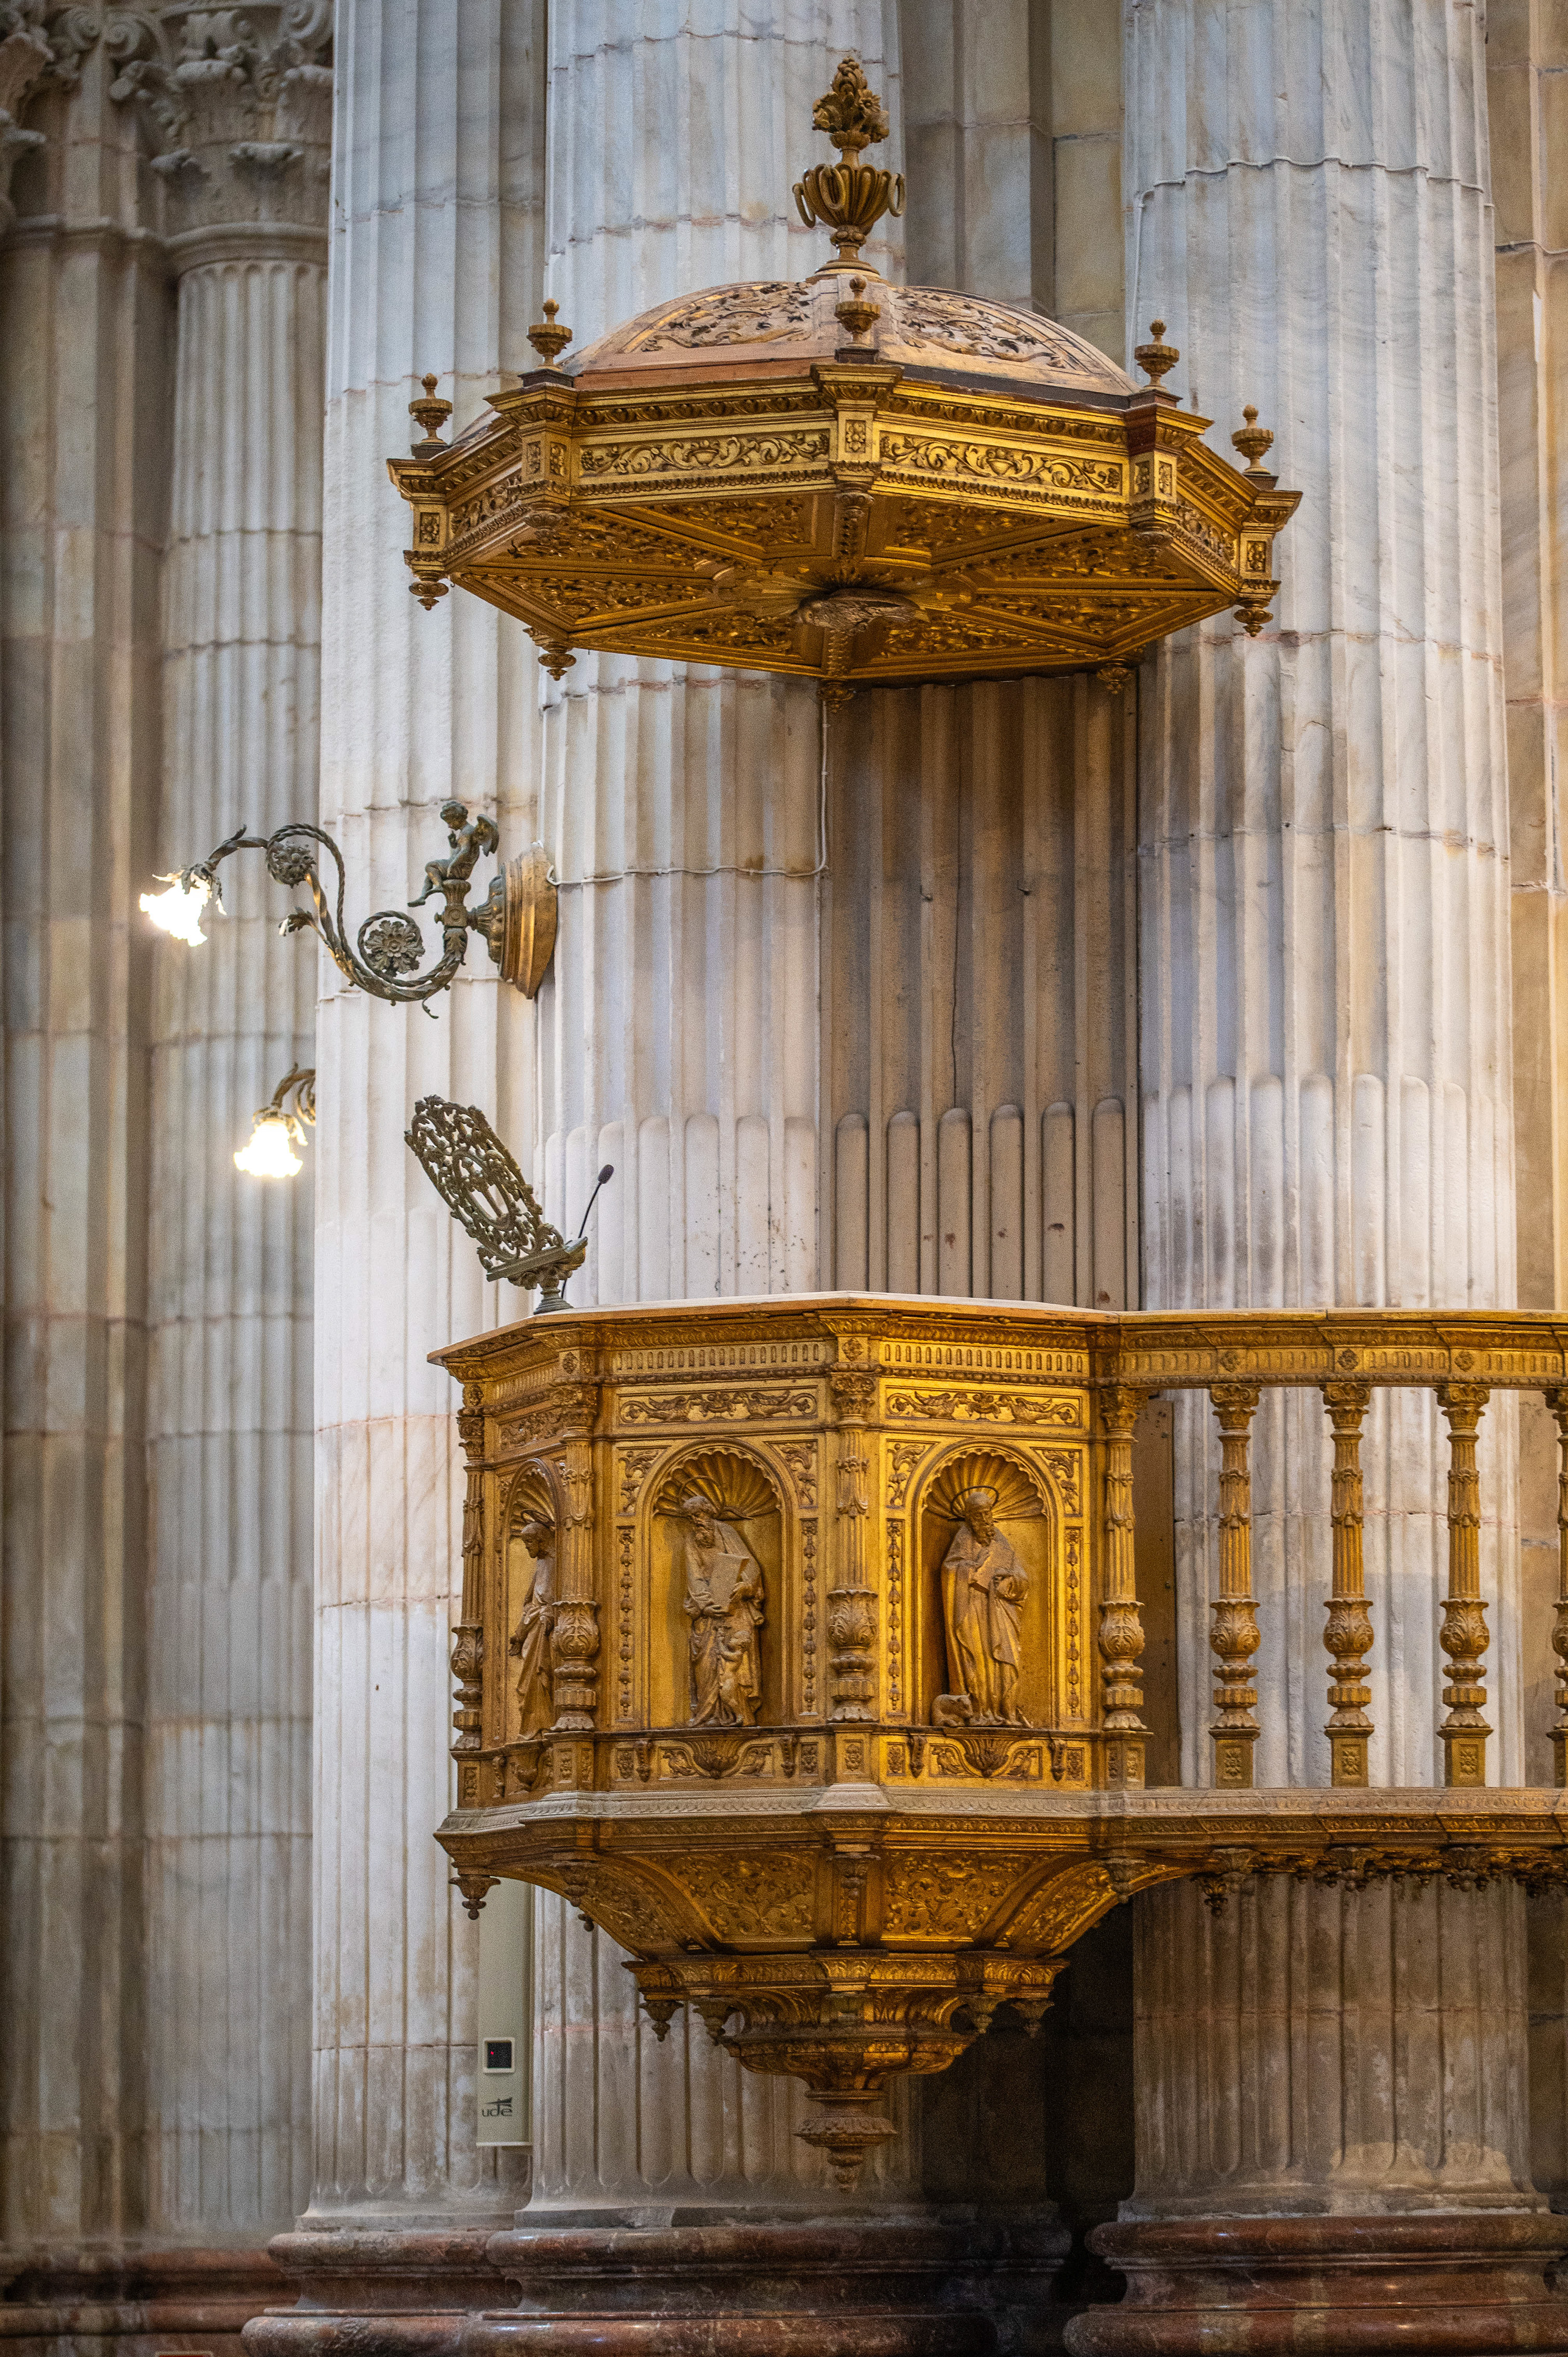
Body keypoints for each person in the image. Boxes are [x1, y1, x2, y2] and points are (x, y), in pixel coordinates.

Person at [673, 1491, 764, 1726]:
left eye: (700, 1515)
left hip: (736, 1610)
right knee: (707, 1666)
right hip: (707, 1613)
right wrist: (706, 1605)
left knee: (735, 1668)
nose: (697, 1521)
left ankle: (740, 1715)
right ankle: (709, 1715)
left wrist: (745, 1586)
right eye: (692, 1517)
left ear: (709, 1513)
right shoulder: (692, 1540)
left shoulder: (727, 1532)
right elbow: (694, 1577)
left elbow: (750, 1565)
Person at [940, 1485, 1029, 1726]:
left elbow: (1022, 1577)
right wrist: (972, 1569)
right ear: (969, 1518)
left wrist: (1008, 1579)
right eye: (978, 1515)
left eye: (987, 1513)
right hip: (974, 1609)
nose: (984, 1519)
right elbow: (949, 1571)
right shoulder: (963, 1539)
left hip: (1000, 1608)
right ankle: (981, 1712)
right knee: (978, 1660)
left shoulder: (1001, 1540)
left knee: (1006, 1659)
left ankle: (1007, 1713)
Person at [507, 1513, 556, 1734]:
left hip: (542, 1631)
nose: (526, 1547)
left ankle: (541, 1725)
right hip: (533, 1629)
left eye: (529, 1542)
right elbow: (530, 1602)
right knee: (526, 1685)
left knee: (538, 1675)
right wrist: (520, 1633)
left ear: (541, 1540)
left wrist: (526, 1628)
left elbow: (549, 1602)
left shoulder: (553, 1562)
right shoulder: (541, 1564)